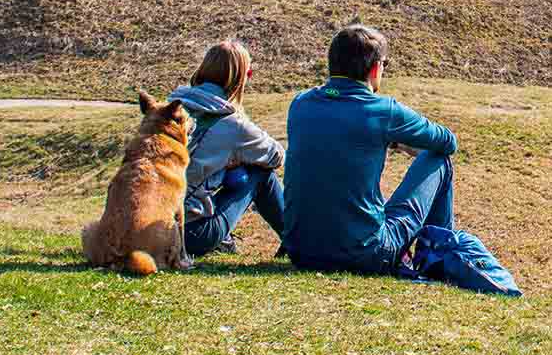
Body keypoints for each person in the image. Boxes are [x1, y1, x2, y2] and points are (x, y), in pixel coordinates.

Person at [282, 25, 458, 274]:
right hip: (364, 254)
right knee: (439, 160)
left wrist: (390, 140)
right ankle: (440, 256)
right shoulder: (384, 111)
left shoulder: (300, 104)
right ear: (375, 68)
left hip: (300, 251)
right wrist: (398, 139)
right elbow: (447, 141)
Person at [175, 40, 286, 257]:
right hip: (188, 234)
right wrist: (242, 157)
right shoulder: (232, 123)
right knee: (260, 172)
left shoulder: (174, 106)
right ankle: (294, 238)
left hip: (149, 226)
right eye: (249, 73)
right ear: (238, 78)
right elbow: (276, 156)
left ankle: (224, 240)